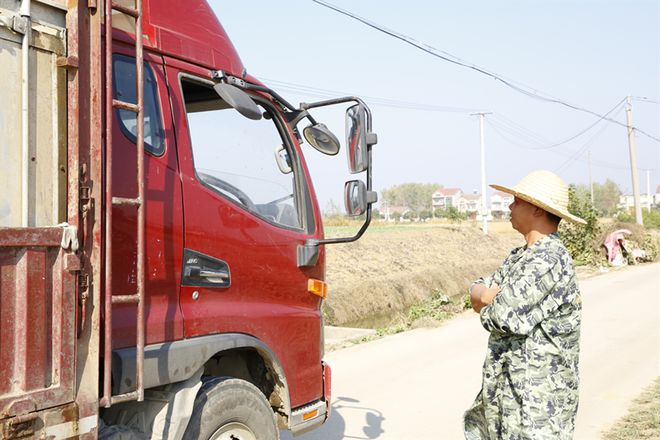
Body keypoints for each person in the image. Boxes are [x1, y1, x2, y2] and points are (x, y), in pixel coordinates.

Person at [464, 170, 586, 440]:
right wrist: (484, 294)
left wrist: (487, 298)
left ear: (538, 210)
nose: (510, 206)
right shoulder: (521, 256)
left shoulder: (548, 258)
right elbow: (476, 290)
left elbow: (502, 314)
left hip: (537, 408)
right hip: (510, 398)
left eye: (517, 201)